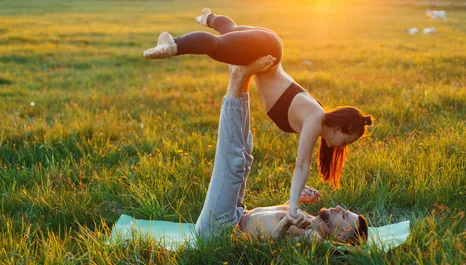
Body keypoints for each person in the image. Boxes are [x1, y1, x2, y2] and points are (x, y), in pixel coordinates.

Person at [144, 9, 374, 222]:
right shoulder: (315, 119)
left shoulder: (314, 114)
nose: (340, 147)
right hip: (266, 48)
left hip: (268, 45)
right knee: (217, 47)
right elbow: (302, 165)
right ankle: (173, 44)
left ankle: (209, 18)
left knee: (229, 32)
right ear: (339, 128)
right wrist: (293, 208)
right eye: (345, 141)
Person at [194, 56, 367, 244]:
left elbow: (273, 241)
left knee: (234, 163)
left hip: (219, 230)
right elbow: (271, 219)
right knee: (245, 157)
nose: (341, 208)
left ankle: (237, 80)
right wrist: (294, 202)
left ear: (341, 235)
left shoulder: (313, 237)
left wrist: (285, 223)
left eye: (345, 216)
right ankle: (240, 79)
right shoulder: (306, 218)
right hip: (236, 212)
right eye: (346, 211)